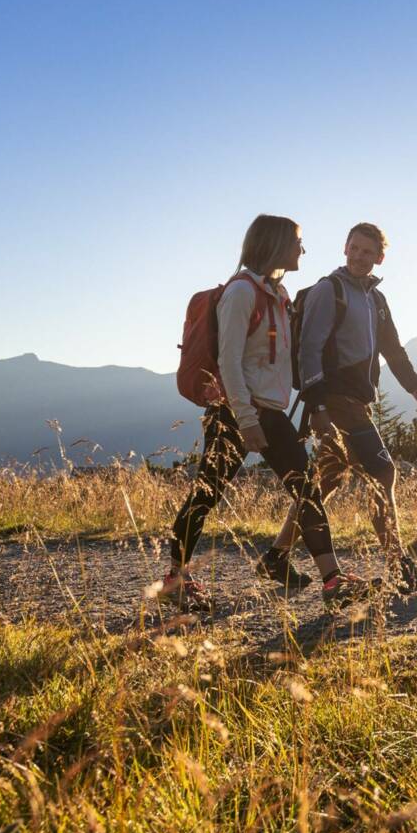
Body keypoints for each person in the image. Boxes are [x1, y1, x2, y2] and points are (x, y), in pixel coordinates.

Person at [162, 214, 375, 611]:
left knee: (307, 489)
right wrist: (245, 420)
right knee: (207, 494)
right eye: (297, 241)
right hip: (236, 411)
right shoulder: (242, 293)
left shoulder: (277, 294)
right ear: (275, 245)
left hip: (270, 412)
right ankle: (175, 578)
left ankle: (332, 582)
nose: (303, 249)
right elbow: (229, 362)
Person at [267, 222, 417, 593]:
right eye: (354, 248)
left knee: (323, 483)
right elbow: (308, 350)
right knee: (383, 474)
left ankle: (276, 557)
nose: (359, 257)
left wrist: (416, 388)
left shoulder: (376, 300)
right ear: (344, 248)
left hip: (355, 400)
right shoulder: (330, 291)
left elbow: (392, 349)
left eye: (368, 252)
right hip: (335, 400)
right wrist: (317, 407)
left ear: (380, 257)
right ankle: (401, 569)